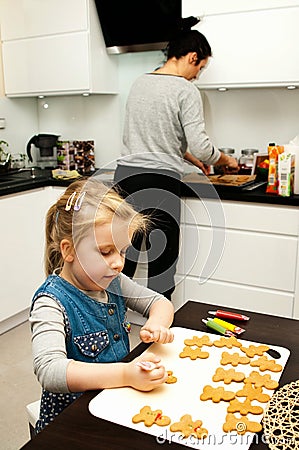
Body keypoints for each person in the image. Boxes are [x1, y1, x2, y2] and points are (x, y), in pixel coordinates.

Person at [29, 177, 174, 433]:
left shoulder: (114, 281)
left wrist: (156, 324)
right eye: (106, 251)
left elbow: (159, 302)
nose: (118, 263)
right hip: (71, 424)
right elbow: (50, 371)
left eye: (123, 251)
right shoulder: (50, 302)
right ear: (68, 250)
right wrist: (125, 375)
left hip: (116, 403)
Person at [114, 29, 238, 300]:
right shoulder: (185, 89)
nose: (197, 75)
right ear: (193, 57)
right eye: (201, 68)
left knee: (121, 261)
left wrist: (188, 157)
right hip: (159, 181)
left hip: (125, 180)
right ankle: (159, 335)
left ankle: (113, 327)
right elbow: (203, 147)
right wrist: (226, 159)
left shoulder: (139, 83)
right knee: (161, 267)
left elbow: (156, 137)